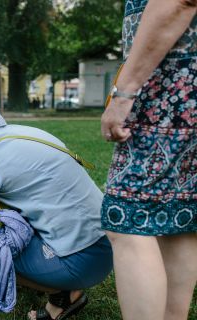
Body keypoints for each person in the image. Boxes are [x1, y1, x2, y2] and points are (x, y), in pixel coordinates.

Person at [0, 79, 113, 319]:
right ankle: (59, 281)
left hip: (81, 261)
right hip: (106, 246)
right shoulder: (22, 133)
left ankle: (64, 294)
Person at [101, 1, 197, 319]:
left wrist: (124, 92)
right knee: (178, 218)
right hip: (182, 88)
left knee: (128, 220)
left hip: (172, 89)